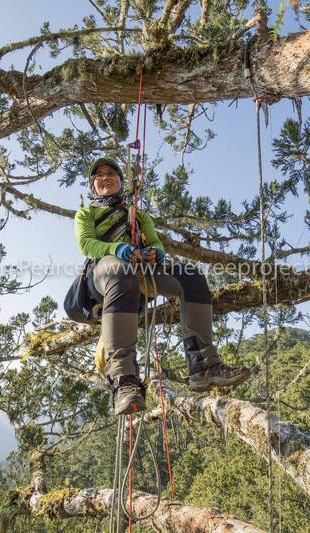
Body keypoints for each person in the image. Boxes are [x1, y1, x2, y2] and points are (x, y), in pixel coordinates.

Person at [74, 156, 252, 416]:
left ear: (120, 181)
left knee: (191, 276)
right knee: (121, 271)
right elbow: (87, 244)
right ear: (93, 185)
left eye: (111, 173)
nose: (105, 177)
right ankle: (124, 380)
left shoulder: (138, 216)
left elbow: (156, 243)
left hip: (141, 270)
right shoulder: (86, 213)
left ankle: (204, 365)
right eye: (98, 175)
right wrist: (118, 249)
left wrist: (156, 254)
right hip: (106, 272)